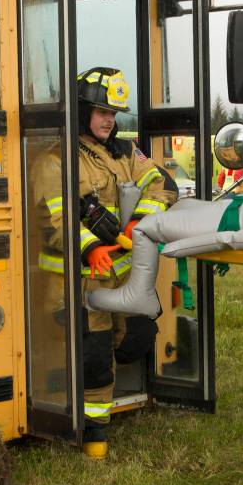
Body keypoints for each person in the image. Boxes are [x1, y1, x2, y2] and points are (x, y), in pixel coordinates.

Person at [33, 67, 178, 459]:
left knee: (138, 340)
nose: (108, 119)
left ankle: (94, 415)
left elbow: (164, 184)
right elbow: (53, 219)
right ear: (82, 111)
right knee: (94, 361)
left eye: (113, 113)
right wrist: (88, 247)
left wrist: (137, 221)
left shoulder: (126, 153)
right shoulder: (55, 160)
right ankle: (93, 437)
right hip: (79, 287)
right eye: (100, 111)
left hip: (124, 284)